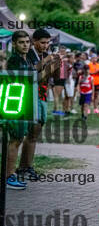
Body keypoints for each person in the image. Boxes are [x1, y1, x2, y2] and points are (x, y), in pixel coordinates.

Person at [18, 28, 58, 182]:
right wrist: (48, 64)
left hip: (42, 96)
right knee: (30, 134)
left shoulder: (45, 55)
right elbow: (33, 77)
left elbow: (50, 78)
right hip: (30, 96)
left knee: (35, 134)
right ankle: (23, 167)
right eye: (42, 42)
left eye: (47, 43)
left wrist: (56, 67)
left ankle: (27, 166)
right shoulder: (28, 54)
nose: (45, 45)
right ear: (34, 41)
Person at [6, 31, 36, 189]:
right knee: (15, 140)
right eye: (21, 42)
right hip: (14, 103)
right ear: (14, 44)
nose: (25, 45)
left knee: (18, 139)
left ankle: (11, 174)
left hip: (24, 102)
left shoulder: (27, 59)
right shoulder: (14, 60)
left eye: (27, 42)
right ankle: (9, 176)